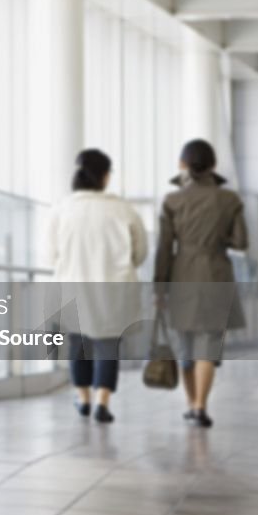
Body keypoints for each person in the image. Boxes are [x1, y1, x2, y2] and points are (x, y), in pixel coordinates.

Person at [44, 149, 147, 424]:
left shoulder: (62, 209)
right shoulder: (123, 209)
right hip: (113, 289)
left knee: (76, 345)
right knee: (108, 346)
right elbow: (140, 253)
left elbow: (51, 255)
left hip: (73, 287)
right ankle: (102, 402)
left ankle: (83, 399)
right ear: (104, 176)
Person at [154, 139, 247, 428]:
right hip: (216, 274)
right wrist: (219, 239)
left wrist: (159, 289)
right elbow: (242, 242)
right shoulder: (229, 200)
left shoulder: (172, 201)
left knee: (185, 346)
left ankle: (190, 403)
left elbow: (164, 248)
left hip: (181, 275)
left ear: (182, 165)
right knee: (209, 344)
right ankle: (200, 407)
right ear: (213, 166)